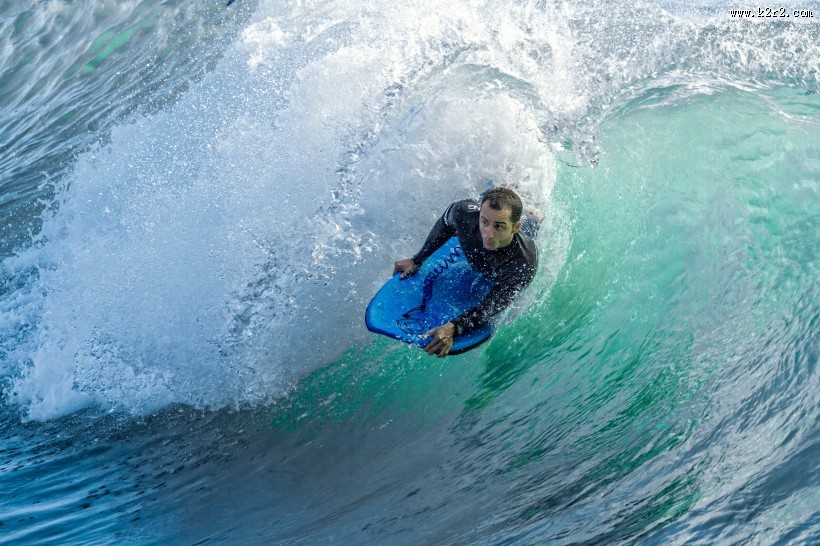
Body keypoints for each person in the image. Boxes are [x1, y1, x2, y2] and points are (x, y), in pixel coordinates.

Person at [393, 187, 538, 357]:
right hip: (488, 215)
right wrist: (417, 259)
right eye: (484, 222)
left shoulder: (522, 264)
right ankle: (507, 189)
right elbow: (445, 224)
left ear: (514, 228)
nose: (488, 234)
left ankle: (532, 213)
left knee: (533, 220)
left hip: (526, 230)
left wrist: (454, 327)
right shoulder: (463, 212)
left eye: (499, 226)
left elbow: (488, 309)